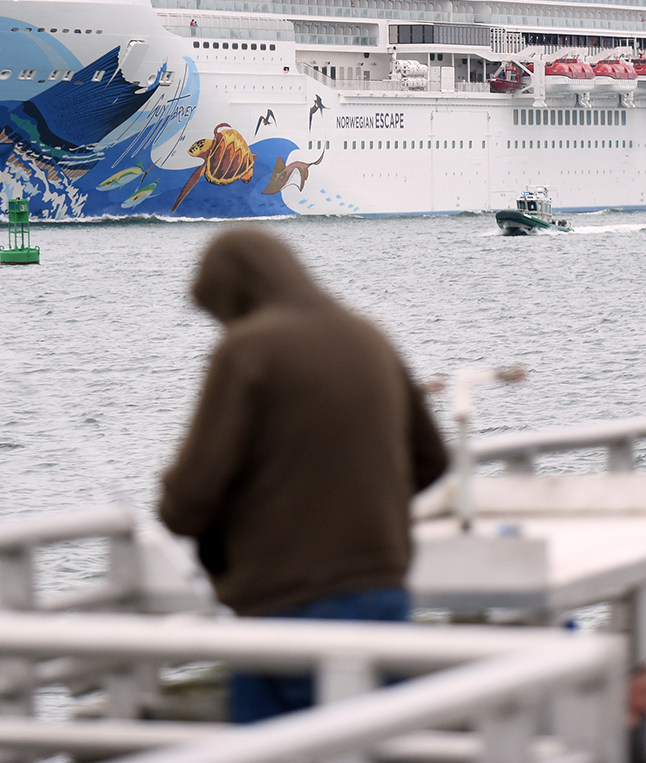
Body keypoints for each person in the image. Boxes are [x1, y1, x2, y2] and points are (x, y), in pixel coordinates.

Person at [158, 228, 449, 722]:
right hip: (383, 594)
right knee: (380, 744)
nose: (221, 325)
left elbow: (189, 500)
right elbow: (433, 459)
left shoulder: (247, 349)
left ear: (232, 294)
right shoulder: (367, 334)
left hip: (285, 606)